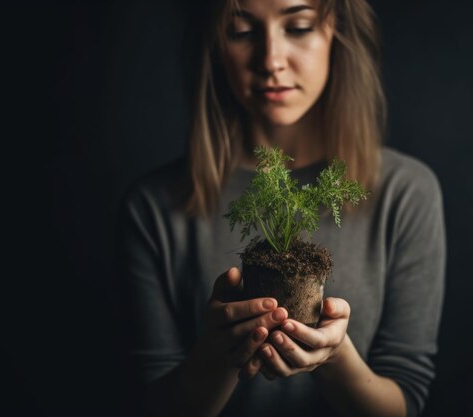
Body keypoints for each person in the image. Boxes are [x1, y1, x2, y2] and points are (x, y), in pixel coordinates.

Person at [117, 0, 446, 416]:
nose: (271, 60)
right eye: (241, 32)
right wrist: (220, 357)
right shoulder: (153, 208)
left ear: (337, 35)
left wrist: (334, 357)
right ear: (214, 47)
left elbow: (404, 403)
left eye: (300, 26)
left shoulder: (406, 193)